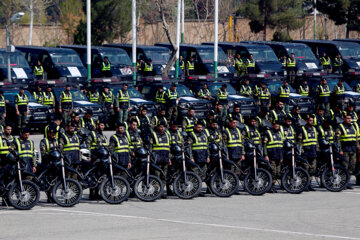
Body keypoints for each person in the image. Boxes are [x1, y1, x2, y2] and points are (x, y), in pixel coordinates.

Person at [336, 115, 359, 189]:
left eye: (350, 118)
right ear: (344, 119)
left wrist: (358, 146)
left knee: (352, 166)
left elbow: (356, 138)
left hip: (353, 149)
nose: (349, 120)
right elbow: (338, 140)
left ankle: (347, 182)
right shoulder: (340, 127)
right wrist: (340, 149)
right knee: (344, 166)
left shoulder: (353, 127)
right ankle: (343, 183)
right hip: (345, 149)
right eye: (347, 118)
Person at [149, 121, 171, 196]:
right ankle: (155, 192)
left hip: (165, 158)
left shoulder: (167, 134)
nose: (162, 128)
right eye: (160, 127)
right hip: (157, 159)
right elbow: (150, 148)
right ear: (157, 127)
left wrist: (169, 158)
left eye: (163, 127)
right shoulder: (154, 135)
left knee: (164, 176)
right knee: (156, 176)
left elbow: (169, 147)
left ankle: (161, 192)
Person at [298, 116, 318, 191]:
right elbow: (299, 142)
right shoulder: (302, 129)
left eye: (312, 120)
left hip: (313, 152)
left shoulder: (314, 129)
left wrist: (317, 150)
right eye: (310, 120)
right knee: (305, 169)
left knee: (312, 169)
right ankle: (304, 184)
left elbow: (316, 141)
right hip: (306, 152)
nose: (311, 122)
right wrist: (301, 151)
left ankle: (309, 184)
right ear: (307, 121)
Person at [263, 120, 283, 193]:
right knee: (272, 171)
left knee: (277, 172)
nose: (277, 127)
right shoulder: (268, 133)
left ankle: (273, 185)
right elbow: (264, 145)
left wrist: (281, 157)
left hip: (278, 155)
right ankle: (269, 186)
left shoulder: (280, 133)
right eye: (276, 126)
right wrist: (265, 155)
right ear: (272, 126)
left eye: (278, 126)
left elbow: (281, 146)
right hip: (271, 155)